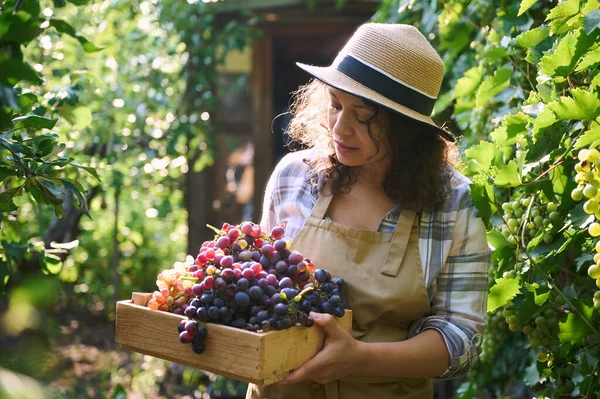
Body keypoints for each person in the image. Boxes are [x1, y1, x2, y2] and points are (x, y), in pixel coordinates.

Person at [247, 23, 490, 399]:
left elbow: (461, 340)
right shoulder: (294, 177)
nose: (340, 129)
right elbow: (256, 290)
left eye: (364, 117)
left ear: (407, 129)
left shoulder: (453, 202)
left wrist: (357, 358)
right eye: (336, 105)